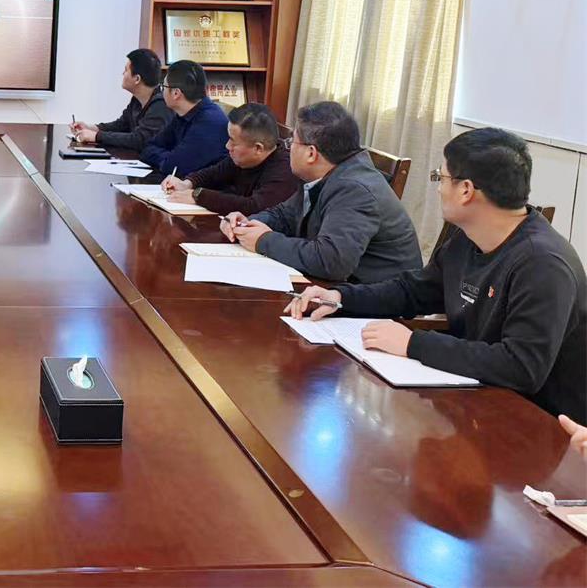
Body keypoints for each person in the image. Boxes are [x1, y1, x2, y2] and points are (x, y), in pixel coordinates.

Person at [287, 128, 586, 421]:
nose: (439, 189)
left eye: (440, 178)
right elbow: (413, 291)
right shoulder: (468, 238)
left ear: (466, 190)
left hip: (541, 424)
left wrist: (413, 344)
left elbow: (521, 367)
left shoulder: (543, 264)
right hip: (477, 398)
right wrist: (340, 297)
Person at [222, 101, 421, 283]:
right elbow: (284, 215)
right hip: (339, 287)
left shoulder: (354, 189)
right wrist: (247, 224)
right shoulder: (322, 173)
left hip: (376, 298)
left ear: (311, 153)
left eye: (292, 142)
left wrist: (263, 241)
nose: (288, 149)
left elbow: (331, 262)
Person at [161, 102, 298, 215]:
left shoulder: (285, 170)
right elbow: (214, 173)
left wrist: (198, 196)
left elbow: (253, 206)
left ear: (258, 148)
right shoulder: (241, 159)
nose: (227, 146)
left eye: (233, 141)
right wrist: (187, 184)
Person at [138, 60, 229, 177]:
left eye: (163, 87)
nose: (162, 92)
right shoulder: (183, 114)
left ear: (176, 93)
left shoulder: (210, 122)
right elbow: (148, 148)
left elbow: (173, 167)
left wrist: (169, 158)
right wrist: (169, 157)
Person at [70, 49, 171, 151]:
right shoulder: (136, 101)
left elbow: (139, 140)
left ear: (137, 79)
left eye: (126, 70)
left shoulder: (161, 105)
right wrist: (91, 128)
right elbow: (120, 125)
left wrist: (96, 136)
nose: (123, 73)